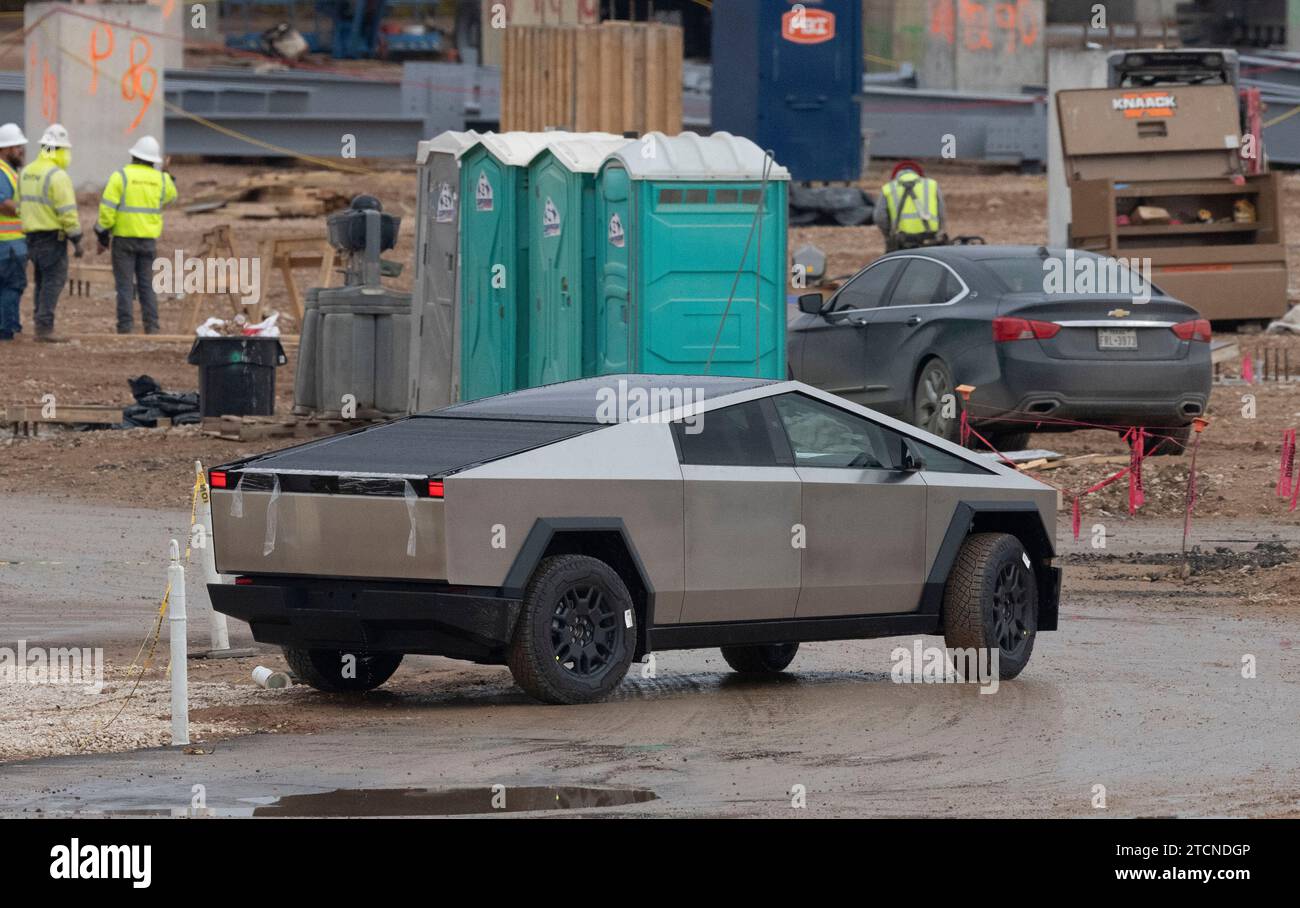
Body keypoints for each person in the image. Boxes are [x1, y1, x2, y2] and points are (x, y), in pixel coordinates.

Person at [95, 136, 177, 335]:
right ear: (153, 160)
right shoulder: (161, 180)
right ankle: (152, 326)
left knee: (124, 286)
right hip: (148, 242)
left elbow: (107, 211)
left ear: (133, 156)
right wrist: (166, 173)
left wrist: (102, 235)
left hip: (123, 240)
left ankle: (125, 327)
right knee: (147, 286)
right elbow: (172, 195)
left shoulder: (120, 176)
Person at [20, 123, 82, 343]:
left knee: (41, 279)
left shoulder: (26, 172)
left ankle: (40, 323)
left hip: (30, 238)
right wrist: (76, 238)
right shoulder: (57, 176)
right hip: (51, 238)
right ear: (58, 150)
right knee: (53, 280)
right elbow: (67, 212)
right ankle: (44, 327)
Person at [873, 160, 947, 252]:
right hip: (930, 240)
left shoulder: (888, 188)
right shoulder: (931, 185)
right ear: (918, 174)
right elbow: (941, 213)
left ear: (896, 176)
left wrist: (889, 235)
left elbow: (879, 217)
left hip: (901, 241)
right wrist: (939, 233)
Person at [0, 123, 26, 341]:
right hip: (7, 244)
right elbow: (3, 203)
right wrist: (27, 211)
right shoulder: (2, 171)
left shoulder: (10, 172)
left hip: (10, 243)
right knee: (11, 286)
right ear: (5, 149)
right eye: (16, 146)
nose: (20, 150)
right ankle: (6, 328)